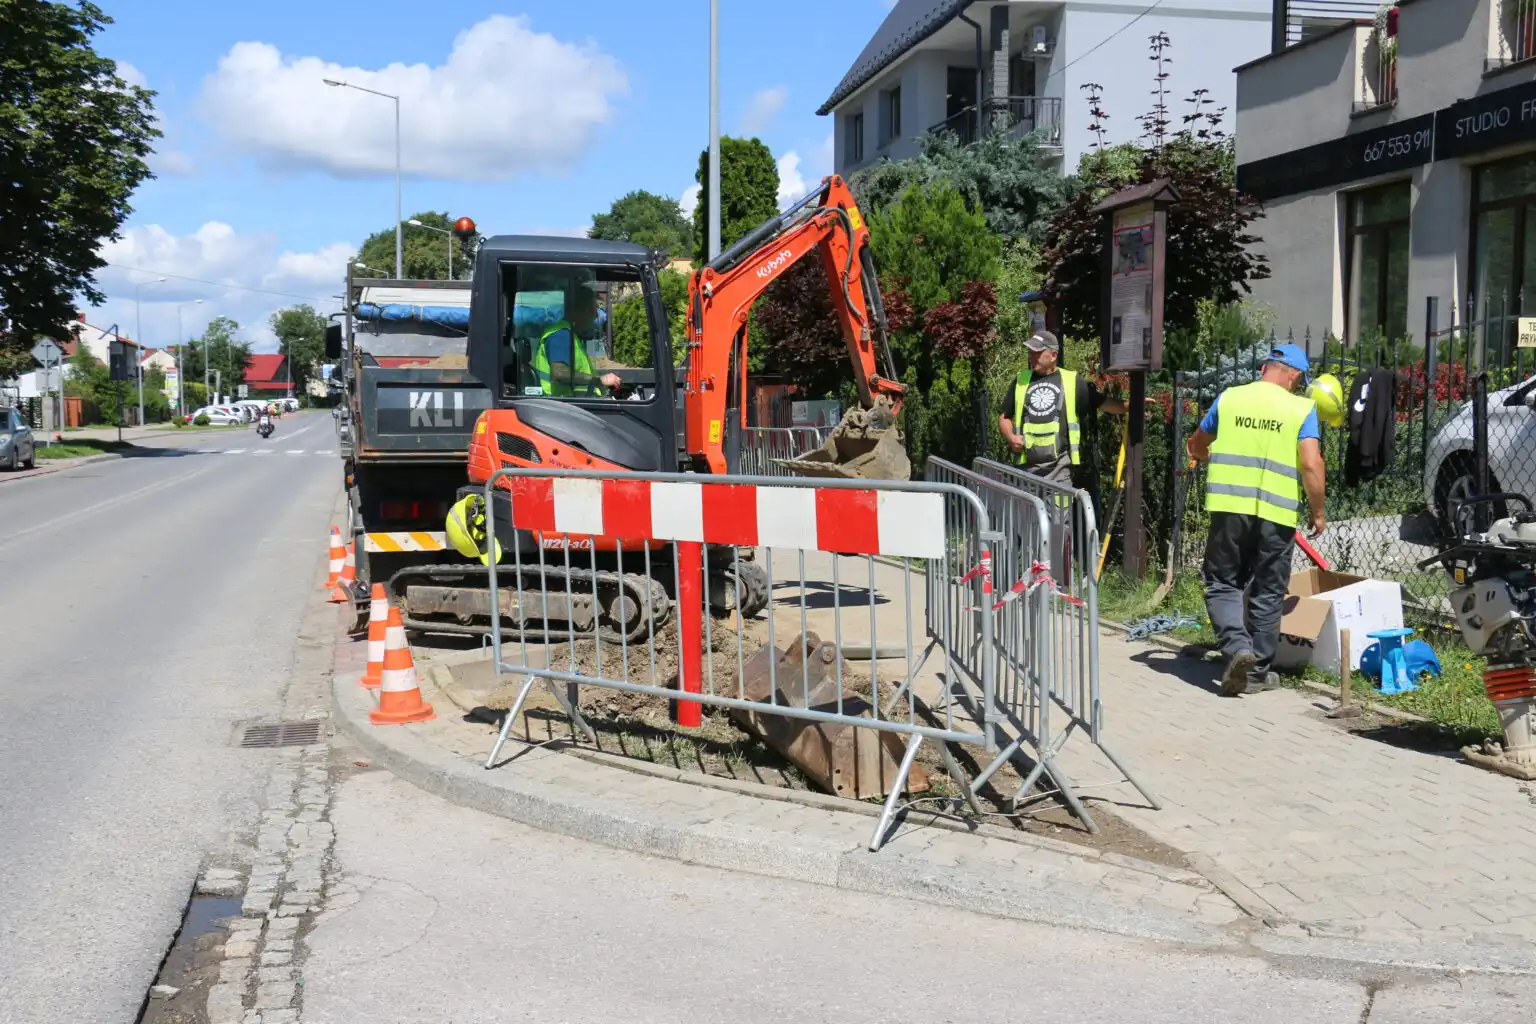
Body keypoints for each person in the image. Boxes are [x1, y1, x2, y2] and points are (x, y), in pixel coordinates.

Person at [1187, 343, 1327, 697]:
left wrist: (1205, 456)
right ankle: (1258, 673)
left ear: (1266, 367)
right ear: (1293, 373)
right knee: (1268, 589)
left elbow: (1197, 443)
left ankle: (1237, 648)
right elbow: (1311, 463)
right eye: (1299, 380)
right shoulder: (1301, 408)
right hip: (1276, 514)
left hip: (1229, 508)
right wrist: (1318, 511)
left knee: (1222, 582)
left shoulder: (1230, 398)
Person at [998, 330, 1129, 487]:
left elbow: (1102, 403)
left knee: (1058, 511)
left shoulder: (1071, 381)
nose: (1032, 356)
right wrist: (1011, 437)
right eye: (1030, 352)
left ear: (1053, 355)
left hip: (1059, 472)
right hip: (1026, 471)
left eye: (1037, 353)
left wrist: (1131, 406)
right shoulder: (1021, 380)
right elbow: (1004, 417)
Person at [533, 286, 622, 397]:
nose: (596, 316)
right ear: (583, 310)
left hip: (572, 404)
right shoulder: (561, 335)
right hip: (564, 407)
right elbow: (560, 373)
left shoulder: (569, 334)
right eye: (594, 310)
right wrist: (599, 380)